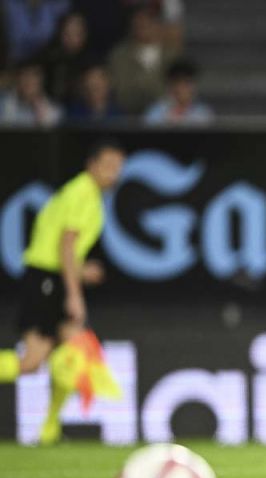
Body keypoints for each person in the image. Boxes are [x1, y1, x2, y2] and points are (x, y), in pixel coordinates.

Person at [0, 140, 126, 445]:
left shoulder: (87, 194)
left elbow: (62, 247)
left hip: (51, 277)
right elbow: (65, 245)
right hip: (46, 280)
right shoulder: (82, 192)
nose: (113, 174)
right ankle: (49, 429)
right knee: (32, 361)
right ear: (91, 165)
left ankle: (50, 431)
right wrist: (74, 293)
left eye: (118, 168)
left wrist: (81, 271)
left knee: (76, 352)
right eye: (107, 166)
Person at [143, 58, 213, 125]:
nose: (182, 88)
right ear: (170, 85)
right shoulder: (156, 113)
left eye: (187, 82)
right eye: (178, 82)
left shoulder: (203, 114)